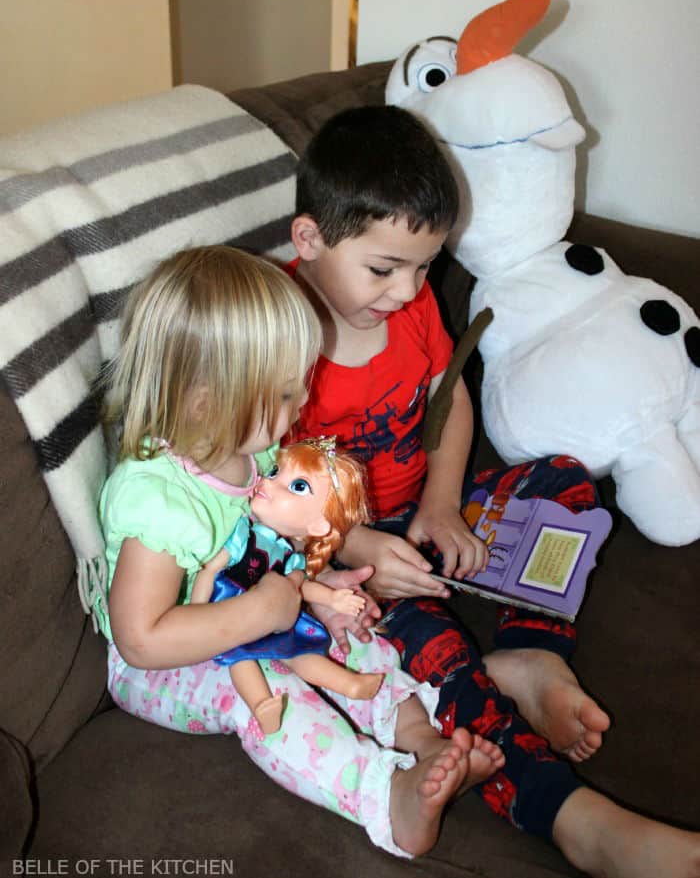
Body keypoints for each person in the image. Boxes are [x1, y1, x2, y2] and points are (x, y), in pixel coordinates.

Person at [285, 105, 700, 877]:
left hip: (426, 512)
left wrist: (443, 502)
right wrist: (353, 540)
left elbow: (450, 393)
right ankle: (576, 819)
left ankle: (529, 654)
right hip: (349, 554)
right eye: (385, 268)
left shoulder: (408, 311)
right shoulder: (274, 331)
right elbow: (262, 477)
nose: (411, 290)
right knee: (433, 662)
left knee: (566, 481)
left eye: (426, 266)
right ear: (308, 239)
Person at [96, 243, 505, 859]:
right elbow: (142, 639)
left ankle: (417, 734)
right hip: (164, 665)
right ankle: (384, 797)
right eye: (285, 393)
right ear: (207, 400)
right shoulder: (158, 502)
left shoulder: (251, 453)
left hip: (253, 609)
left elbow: (274, 542)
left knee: (352, 634)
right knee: (262, 693)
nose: (300, 407)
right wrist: (264, 615)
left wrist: (330, 587)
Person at [191, 437, 385, 735]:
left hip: (275, 618)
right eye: (273, 472)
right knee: (241, 658)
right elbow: (209, 571)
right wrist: (196, 615)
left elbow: (302, 588)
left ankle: (350, 683)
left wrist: (334, 600)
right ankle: (261, 706)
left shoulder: (290, 558)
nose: (269, 483)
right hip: (231, 613)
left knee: (298, 651)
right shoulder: (243, 533)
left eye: (297, 486)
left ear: (318, 526)